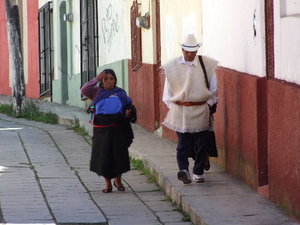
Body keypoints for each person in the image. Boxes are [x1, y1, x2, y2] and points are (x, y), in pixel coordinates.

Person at [162, 34, 218, 184]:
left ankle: (198, 171)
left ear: (197, 51)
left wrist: (207, 106)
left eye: (193, 51)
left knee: (201, 144)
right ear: (182, 50)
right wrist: (176, 108)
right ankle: (183, 170)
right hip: (180, 111)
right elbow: (167, 94)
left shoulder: (206, 65)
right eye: (187, 51)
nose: (189, 54)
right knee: (183, 144)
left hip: (201, 110)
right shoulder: (172, 67)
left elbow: (214, 91)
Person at [81, 69, 136, 193]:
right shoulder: (96, 92)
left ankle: (118, 180)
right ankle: (107, 183)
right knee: (103, 155)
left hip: (118, 127)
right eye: (106, 79)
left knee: (118, 155)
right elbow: (84, 90)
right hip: (101, 129)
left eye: (111, 79)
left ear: (115, 80)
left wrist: (128, 113)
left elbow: (129, 105)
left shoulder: (120, 93)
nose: (109, 82)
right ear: (102, 81)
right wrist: (96, 79)